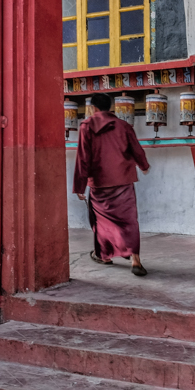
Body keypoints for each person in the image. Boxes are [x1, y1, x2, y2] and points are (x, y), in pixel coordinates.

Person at [72, 92, 151, 276]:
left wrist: (79, 186)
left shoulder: (87, 126)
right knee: (128, 221)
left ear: (93, 108)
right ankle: (135, 259)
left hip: (100, 183)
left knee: (101, 222)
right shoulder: (124, 126)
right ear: (110, 107)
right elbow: (136, 149)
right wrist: (144, 166)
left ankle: (105, 256)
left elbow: (83, 158)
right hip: (123, 181)